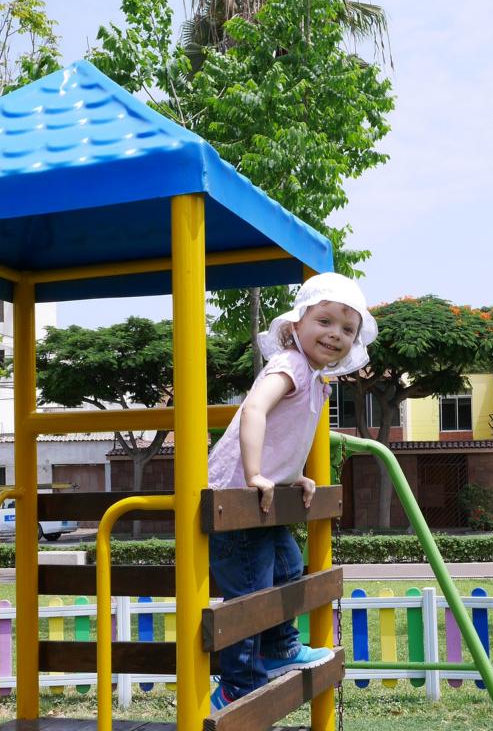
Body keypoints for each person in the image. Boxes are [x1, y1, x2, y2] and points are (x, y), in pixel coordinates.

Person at [207, 273, 378, 712]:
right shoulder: (289, 365)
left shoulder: (315, 378)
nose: (335, 334)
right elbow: (256, 411)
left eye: (347, 329)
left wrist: (293, 474)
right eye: (325, 321)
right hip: (235, 498)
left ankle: (280, 647)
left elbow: (287, 435)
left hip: (259, 499)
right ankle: (237, 684)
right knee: (250, 594)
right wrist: (255, 474)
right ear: (297, 324)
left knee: (286, 566)